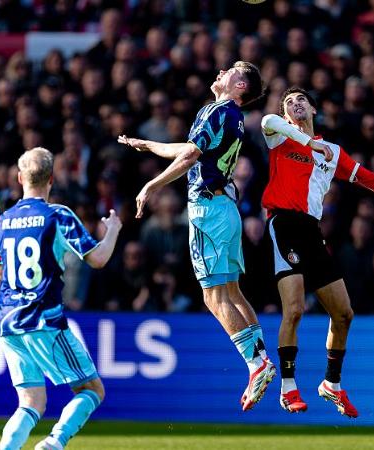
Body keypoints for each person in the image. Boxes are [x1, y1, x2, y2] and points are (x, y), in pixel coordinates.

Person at [260, 87, 374, 417]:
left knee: (344, 313)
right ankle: (288, 387)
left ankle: (331, 383)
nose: (295, 104)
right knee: (295, 308)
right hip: (283, 225)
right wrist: (308, 142)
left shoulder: (332, 151)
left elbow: (370, 179)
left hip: (312, 232)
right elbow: (267, 120)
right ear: (285, 114)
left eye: (301, 100)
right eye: (289, 102)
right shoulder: (279, 136)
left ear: (313, 109)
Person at [117, 61, 275, 411]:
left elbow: (190, 155)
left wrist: (151, 185)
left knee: (213, 296)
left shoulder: (217, 110)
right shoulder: (230, 116)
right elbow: (191, 149)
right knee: (231, 291)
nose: (222, 71)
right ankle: (261, 358)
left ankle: (256, 364)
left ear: (240, 87)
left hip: (207, 211)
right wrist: (149, 145)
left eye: (232, 71)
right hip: (226, 209)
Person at [0, 147, 121, 450]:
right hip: (43, 319)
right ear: (51, 178)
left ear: (20, 178)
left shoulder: (4, 221)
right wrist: (113, 230)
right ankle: (54, 443)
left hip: (8, 322)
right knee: (92, 390)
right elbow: (97, 259)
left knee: (31, 402)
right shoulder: (57, 215)